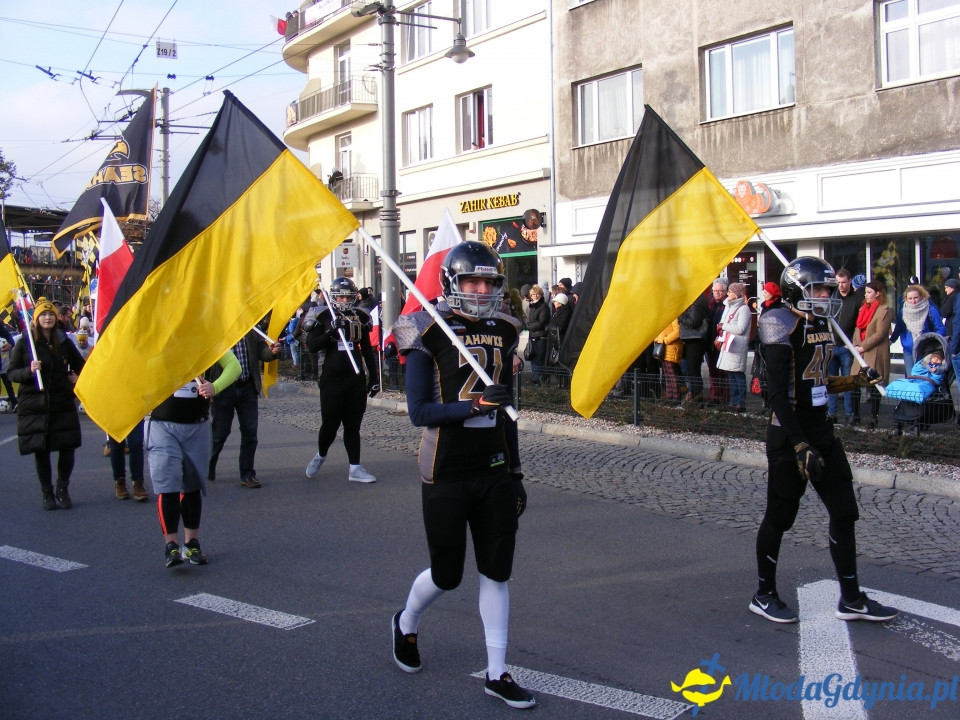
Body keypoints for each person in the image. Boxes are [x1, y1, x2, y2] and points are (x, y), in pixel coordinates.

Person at [390, 240, 534, 709]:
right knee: (448, 575)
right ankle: (407, 621)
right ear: (451, 282)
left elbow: (506, 409)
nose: (480, 289)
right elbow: (419, 411)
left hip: (492, 467)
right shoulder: (423, 328)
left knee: (496, 571)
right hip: (445, 469)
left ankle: (497, 671)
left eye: (489, 281)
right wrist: (470, 406)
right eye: (471, 280)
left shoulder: (506, 327)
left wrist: (515, 472)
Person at [750, 257, 897, 624]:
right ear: (796, 290)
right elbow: (778, 395)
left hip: (821, 428)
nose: (825, 295)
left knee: (845, 511)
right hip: (789, 433)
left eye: (828, 289)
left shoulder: (821, 324)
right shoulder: (777, 322)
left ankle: (850, 598)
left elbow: (815, 383)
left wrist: (854, 382)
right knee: (780, 516)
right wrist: (799, 444)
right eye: (818, 289)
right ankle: (763, 593)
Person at [147, 351, 241, 568]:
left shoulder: (206, 340)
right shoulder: (161, 343)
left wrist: (214, 387)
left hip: (197, 425)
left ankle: (192, 544)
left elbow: (234, 366)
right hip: (163, 424)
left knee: (192, 485)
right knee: (167, 483)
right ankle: (171, 546)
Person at [7, 298, 86, 510]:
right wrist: (29, 370)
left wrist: (76, 378)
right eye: (43, 314)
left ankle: (62, 487)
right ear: (36, 319)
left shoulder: (63, 341)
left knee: (67, 447)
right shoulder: (25, 343)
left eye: (50, 314)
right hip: (35, 404)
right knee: (41, 449)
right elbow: (12, 373)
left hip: (61, 402)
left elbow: (83, 367)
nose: (48, 317)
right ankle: (47, 493)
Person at [303, 277, 380, 483]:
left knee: (353, 425)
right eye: (341, 296)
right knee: (330, 423)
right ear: (334, 296)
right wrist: (330, 331)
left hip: (354, 378)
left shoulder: (360, 316)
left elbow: (366, 349)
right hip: (331, 379)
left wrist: (374, 376)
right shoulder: (323, 315)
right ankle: (321, 454)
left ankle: (355, 467)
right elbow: (311, 346)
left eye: (348, 296)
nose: (345, 300)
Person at [207, 325, 282, 489]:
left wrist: (272, 352)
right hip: (224, 389)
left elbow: (261, 351)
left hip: (247, 386)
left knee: (250, 433)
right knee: (219, 433)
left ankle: (247, 474)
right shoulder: (215, 328)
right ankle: (208, 464)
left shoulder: (249, 326)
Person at [851, 281, 894, 429]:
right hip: (860, 351)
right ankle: (854, 415)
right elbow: (858, 327)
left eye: (869, 292)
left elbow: (880, 333)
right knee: (854, 383)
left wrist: (863, 347)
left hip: (874, 351)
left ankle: (873, 417)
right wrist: (856, 344)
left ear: (878, 293)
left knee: (875, 384)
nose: (865, 295)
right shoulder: (863, 308)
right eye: (865, 292)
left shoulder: (885, 310)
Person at [827, 269, 860, 424]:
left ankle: (850, 414)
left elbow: (859, 324)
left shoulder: (856, 299)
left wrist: (853, 343)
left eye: (843, 282)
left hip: (847, 347)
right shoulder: (833, 297)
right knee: (833, 382)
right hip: (833, 345)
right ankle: (832, 413)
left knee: (847, 382)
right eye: (838, 283)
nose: (841, 286)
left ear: (850, 281)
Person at [890, 284, 944, 373]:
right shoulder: (903, 311)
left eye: (915, 297)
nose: (913, 301)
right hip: (909, 350)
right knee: (911, 377)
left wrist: (934, 341)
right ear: (905, 299)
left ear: (921, 296)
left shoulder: (930, 309)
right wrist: (891, 340)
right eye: (910, 298)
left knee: (924, 378)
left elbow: (940, 328)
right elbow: (899, 328)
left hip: (926, 350)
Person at [716, 282, 751, 413]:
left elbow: (740, 328)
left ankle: (740, 402)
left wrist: (723, 326)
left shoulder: (743, 309)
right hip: (729, 345)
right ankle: (733, 400)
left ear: (736, 294)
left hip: (737, 346)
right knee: (731, 374)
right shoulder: (729, 306)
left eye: (730, 291)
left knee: (738, 375)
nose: (728, 293)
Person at [678, 291, 711, 403]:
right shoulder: (693, 306)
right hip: (689, 340)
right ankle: (693, 393)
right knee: (689, 370)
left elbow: (693, 322)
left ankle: (697, 395)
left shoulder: (696, 306)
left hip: (695, 341)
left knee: (693, 370)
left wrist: (681, 315)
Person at [109, 421, 148, 502]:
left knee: (136, 443)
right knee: (116, 443)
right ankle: (119, 481)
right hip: (113, 410)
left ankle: (138, 482)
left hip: (134, 409)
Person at [707, 278, 730, 405]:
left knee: (724, 372)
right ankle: (714, 396)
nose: (718, 293)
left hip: (723, 343)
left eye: (721, 291)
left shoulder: (727, 305)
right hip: (710, 342)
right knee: (713, 371)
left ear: (726, 291)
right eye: (715, 290)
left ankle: (726, 398)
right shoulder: (709, 304)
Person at [525, 285, 550, 387]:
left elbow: (542, 322)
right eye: (532, 294)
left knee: (540, 360)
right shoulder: (531, 306)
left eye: (536, 294)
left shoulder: (544, 306)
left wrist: (529, 326)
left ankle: (541, 381)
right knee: (532, 358)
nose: (534, 296)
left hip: (541, 336)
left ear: (541, 295)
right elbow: (529, 320)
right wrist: (528, 325)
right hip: (532, 336)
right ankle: (536, 379)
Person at [654, 318, 683, 405]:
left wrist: (664, 340)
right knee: (667, 375)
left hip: (671, 348)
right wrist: (657, 339)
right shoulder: (665, 318)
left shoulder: (673, 318)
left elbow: (677, 332)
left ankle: (676, 398)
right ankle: (670, 396)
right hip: (663, 349)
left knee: (672, 375)